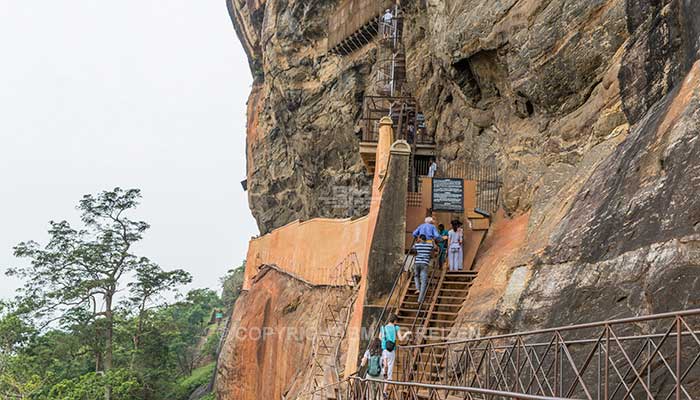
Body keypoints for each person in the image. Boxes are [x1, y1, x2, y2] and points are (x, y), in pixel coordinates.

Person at [380, 314, 411, 397]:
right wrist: (406, 333)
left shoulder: (383, 328)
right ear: (395, 321)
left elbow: (380, 337)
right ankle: (384, 391)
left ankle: (383, 375)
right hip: (391, 351)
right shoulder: (396, 328)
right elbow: (401, 339)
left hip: (384, 350)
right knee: (390, 371)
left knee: (384, 367)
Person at [412, 235, 434, 303]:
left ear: (420, 239)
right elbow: (434, 247)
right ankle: (420, 300)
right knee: (424, 282)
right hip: (424, 264)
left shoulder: (417, 245)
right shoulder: (429, 245)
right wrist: (433, 241)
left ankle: (418, 288)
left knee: (416, 276)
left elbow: (413, 248)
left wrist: (417, 241)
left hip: (417, 263)